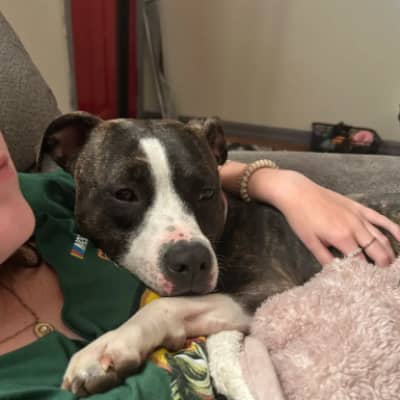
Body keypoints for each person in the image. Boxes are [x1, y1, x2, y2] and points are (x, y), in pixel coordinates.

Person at [1, 127, 400, 399]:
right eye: (126, 195)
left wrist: (276, 182)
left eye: (202, 196)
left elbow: (163, 167)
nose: (185, 239)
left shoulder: (46, 208)